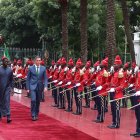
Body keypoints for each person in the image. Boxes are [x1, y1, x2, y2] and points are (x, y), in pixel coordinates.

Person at [26, 56, 48, 121]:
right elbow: (28, 79)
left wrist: (45, 86)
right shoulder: (31, 68)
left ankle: (36, 114)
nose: (39, 61)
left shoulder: (43, 68)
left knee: (38, 101)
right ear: (35, 61)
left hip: (40, 87)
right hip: (32, 86)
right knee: (33, 100)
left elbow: (45, 78)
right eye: (37, 60)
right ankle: (33, 115)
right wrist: (27, 88)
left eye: (40, 60)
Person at [0, 57, 13, 123]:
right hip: (0, 88)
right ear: (2, 62)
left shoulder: (10, 70)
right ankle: (1, 113)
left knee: (7, 101)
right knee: (1, 101)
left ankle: (8, 116)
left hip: (7, 88)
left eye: (7, 61)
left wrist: (12, 88)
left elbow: (11, 80)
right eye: (5, 61)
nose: (6, 62)